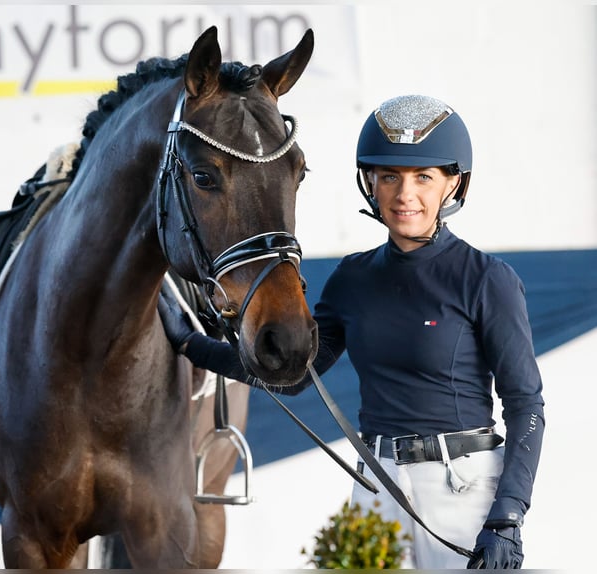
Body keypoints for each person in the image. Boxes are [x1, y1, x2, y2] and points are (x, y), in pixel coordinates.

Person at [157, 94, 545, 569]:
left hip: (461, 490)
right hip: (375, 485)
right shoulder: (352, 279)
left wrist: (508, 513)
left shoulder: (488, 280)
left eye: (423, 177)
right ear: (370, 184)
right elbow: (294, 375)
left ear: (453, 184)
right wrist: (192, 345)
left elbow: (526, 404)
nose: (405, 195)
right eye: (389, 177)